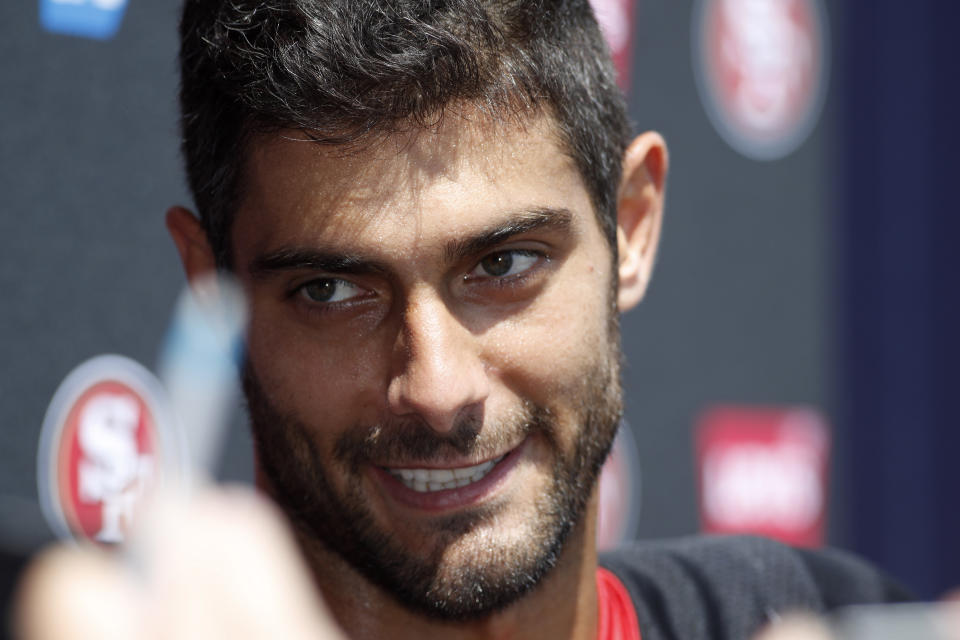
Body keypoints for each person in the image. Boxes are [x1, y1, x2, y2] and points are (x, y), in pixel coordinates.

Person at [15, 1, 909, 639]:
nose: (437, 391)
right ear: (211, 284)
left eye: (504, 264)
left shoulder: (818, 614)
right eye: (332, 290)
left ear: (631, 226)